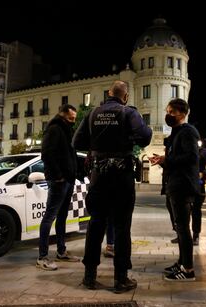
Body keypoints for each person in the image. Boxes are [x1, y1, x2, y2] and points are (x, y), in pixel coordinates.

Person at [73, 80, 152, 293]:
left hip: (98, 176)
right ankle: (120, 279)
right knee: (121, 227)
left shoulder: (92, 114)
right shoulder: (128, 112)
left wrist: (97, 145)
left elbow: (77, 142)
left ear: (109, 94)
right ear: (125, 96)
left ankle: (89, 276)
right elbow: (145, 137)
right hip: (121, 176)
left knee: (95, 225)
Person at [149, 98, 200, 281]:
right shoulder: (176, 133)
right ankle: (181, 262)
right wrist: (162, 160)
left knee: (183, 228)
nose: (168, 115)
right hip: (173, 185)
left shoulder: (188, 132)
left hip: (182, 186)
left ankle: (188, 270)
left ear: (182, 113)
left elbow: (191, 158)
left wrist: (166, 160)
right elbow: (177, 158)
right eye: (168, 111)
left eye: (172, 112)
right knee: (179, 228)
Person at [36, 104, 80, 271]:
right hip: (59, 180)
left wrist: (74, 173)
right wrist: (59, 175)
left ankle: (61, 251)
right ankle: (42, 257)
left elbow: (69, 154)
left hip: (67, 179)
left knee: (62, 216)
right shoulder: (54, 129)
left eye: (74, 119)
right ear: (62, 116)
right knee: (50, 217)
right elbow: (47, 154)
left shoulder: (65, 130)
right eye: (70, 119)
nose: (73, 122)